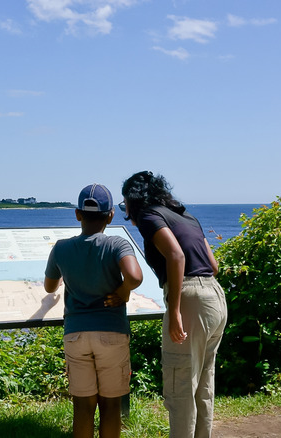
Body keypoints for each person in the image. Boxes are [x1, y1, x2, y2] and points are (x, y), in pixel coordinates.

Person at [118, 171, 227, 438]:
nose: (126, 211)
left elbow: (176, 256)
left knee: (180, 388)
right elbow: (213, 266)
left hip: (189, 299)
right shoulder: (187, 216)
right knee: (203, 384)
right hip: (215, 297)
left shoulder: (148, 215)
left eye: (125, 204)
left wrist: (176, 309)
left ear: (133, 201)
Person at [44, 183, 143, 438]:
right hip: (111, 332)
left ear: (78, 214)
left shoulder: (61, 248)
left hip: (76, 334)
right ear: (110, 215)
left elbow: (49, 286)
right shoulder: (116, 245)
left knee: (83, 407)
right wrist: (122, 292)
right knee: (111, 405)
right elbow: (134, 276)